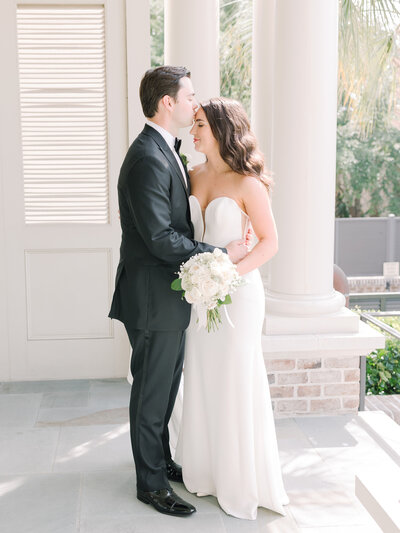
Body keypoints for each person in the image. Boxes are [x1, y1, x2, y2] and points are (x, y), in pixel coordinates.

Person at [108, 66, 248, 518]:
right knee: (151, 392)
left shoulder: (164, 150)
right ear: (168, 102)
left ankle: (160, 461)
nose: (195, 103)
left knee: (165, 388)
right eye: (189, 96)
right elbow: (159, 238)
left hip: (168, 296)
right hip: (150, 297)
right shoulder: (148, 156)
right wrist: (218, 252)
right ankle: (150, 485)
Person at [175, 97, 290, 520]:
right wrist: (205, 275)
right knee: (203, 378)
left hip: (237, 295)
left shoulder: (248, 184)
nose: (194, 133)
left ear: (222, 130)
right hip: (199, 294)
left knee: (235, 379)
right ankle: (205, 473)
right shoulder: (190, 176)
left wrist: (229, 272)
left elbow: (270, 242)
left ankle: (240, 479)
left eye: (201, 125)